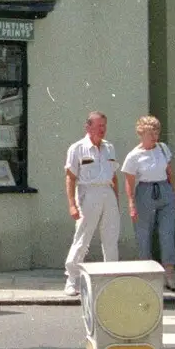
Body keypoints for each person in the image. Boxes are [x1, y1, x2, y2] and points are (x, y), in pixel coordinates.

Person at [62, 111, 120, 296]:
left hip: (107, 192)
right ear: (88, 127)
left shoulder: (109, 147)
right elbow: (70, 178)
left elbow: (114, 175)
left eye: (104, 126)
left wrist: (116, 200)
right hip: (88, 193)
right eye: (98, 126)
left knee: (111, 238)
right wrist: (72, 204)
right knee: (82, 239)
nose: (102, 130)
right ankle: (72, 281)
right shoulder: (77, 148)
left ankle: (111, 280)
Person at [122, 115, 175, 291]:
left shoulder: (162, 149)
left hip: (164, 191)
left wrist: (174, 194)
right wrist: (131, 204)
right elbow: (129, 182)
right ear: (141, 134)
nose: (154, 137)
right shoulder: (134, 156)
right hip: (145, 192)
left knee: (167, 233)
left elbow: (169, 172)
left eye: (156, 133)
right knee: (143, 234)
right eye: (150, 133)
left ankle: (169, 275)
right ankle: (147, 275)